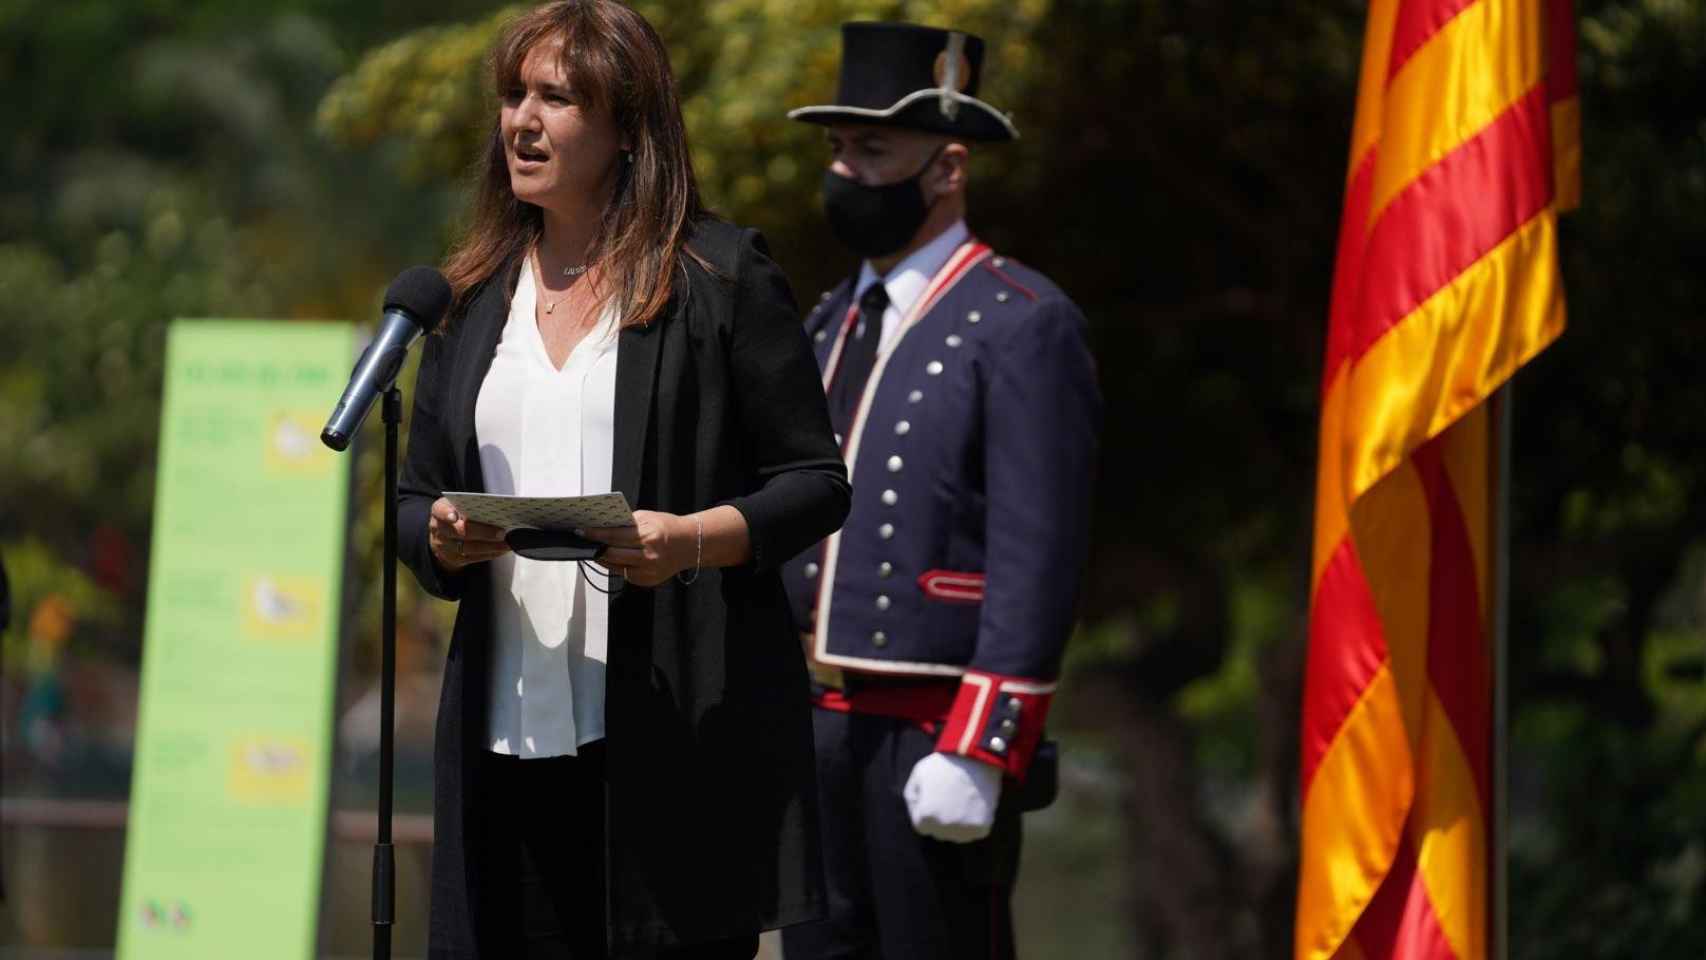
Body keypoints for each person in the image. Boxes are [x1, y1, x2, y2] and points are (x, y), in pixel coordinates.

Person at [395, 3, 849, 957]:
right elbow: (410, 498)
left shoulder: (720, 279)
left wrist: (690, 539)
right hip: (503, 733)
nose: (522, 119)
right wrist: (436, 535)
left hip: (667, 737)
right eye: (513, 95)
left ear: (627, 126)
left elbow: (814, 480)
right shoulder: (471, 299)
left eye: (556, 98)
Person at [779, 22, 1102, 959]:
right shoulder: (832, 317)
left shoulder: (1022, 321)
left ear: (948, 167)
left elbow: (1037, 557)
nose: (845, 174)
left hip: (932, 732)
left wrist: (982, 743)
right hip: (817, 730)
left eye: (873, 151)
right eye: (839, 150)